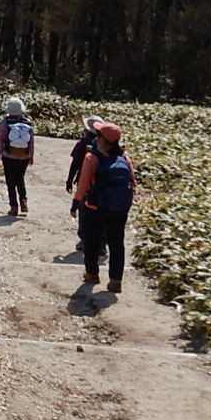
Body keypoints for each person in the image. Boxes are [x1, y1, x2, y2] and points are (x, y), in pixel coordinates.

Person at [70, 120, 135, 293]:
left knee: (91, 241)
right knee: (117, 244)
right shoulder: (124, 158)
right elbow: (132, 183)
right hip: (119, 210)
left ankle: (92, 274)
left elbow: (83, 184)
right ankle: (115, 281)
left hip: (95, 208)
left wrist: (76, 203)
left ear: (101, 139)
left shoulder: (92, 158)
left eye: (98, 135)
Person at [65, 115, 103, 253]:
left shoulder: (82, 144)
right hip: (103, 184)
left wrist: (69, 181)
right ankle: (102, 244)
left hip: (85, 182)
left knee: (84, 212)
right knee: (101, 213)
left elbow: (75, 164)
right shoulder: (106, 145)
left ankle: (84, 240)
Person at [0, 96, 35, 216]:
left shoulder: (5, 123)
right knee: (20, 179)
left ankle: (14, 207)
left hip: (8, 156)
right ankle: (23, 200)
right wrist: (31, 156)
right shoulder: (27, 122)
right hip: (24, 157)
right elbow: (31, 141)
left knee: (10, 182)